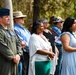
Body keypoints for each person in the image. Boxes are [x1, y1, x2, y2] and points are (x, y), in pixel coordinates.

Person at [0, 8, 22, 75]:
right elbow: (2, 46)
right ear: (0, 19)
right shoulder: (0, 31)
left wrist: (18, 54)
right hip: (4, 62)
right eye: (6, 17)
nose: (9, 18)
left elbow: (18, 43)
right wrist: (13, 57)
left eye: (9, 17)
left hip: (15, 62)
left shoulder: (11, 31)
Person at [13, 11, 31, 75]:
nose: (23, 19)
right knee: (23, 71)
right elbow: (21, 42)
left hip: (29, 53)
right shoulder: (15, 29)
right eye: (21, 18)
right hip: (22, 53)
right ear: (15, 19)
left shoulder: (25, 30)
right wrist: (31, 46)